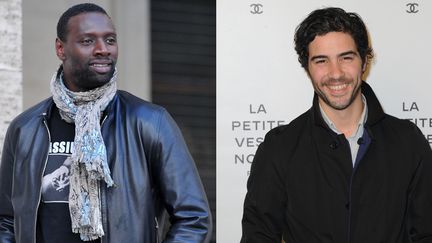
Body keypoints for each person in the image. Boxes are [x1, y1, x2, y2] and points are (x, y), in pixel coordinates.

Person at [0, 3, 211, 243]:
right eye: (88, 41)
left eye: (110, 40)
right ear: (61, 48)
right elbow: (6, 221)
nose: (103, 49)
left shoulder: (150, 122)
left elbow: (193, 219)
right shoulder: (25, 128)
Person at [241, 7, 432, 243]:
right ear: (307, 68)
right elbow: (258, 236)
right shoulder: (279, 148)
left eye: (346, 58)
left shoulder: (408, 141)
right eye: (321, 61)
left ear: (364, 62)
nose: (336, 73)